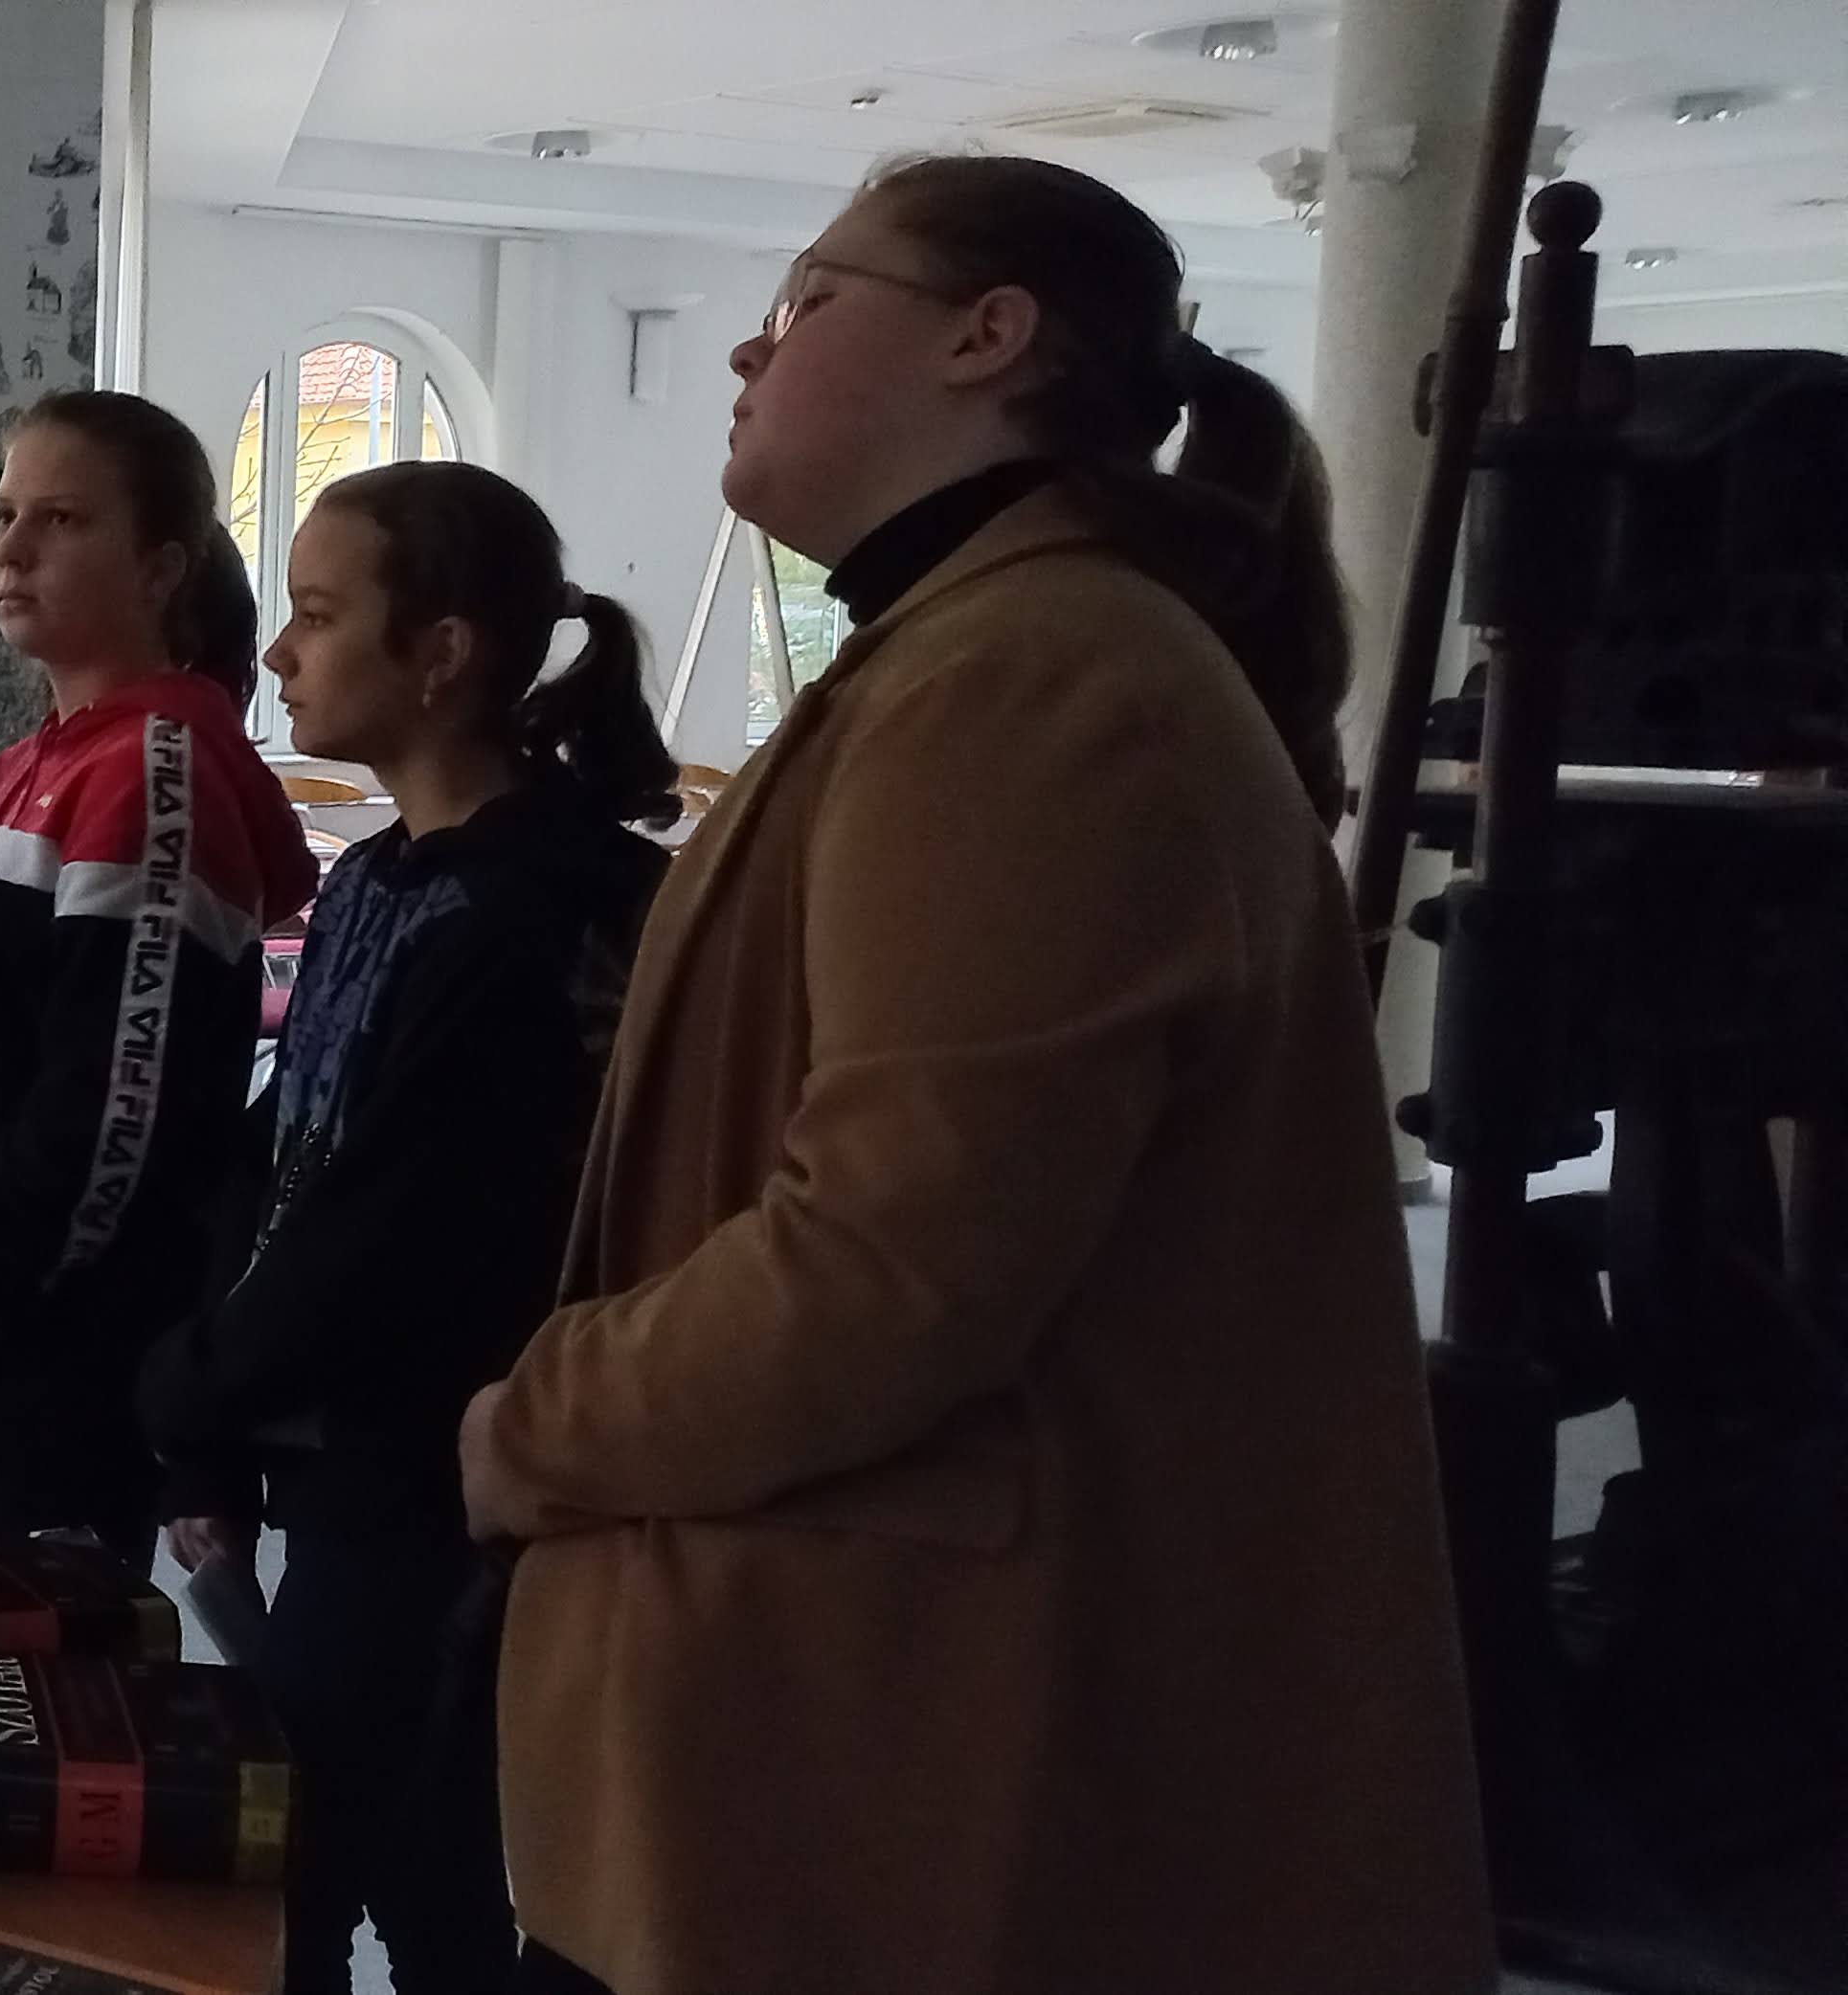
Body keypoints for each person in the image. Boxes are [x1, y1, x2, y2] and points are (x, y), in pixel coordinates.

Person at [455, 154, 1491, 1994]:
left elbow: (881, 1271)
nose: (748, 352)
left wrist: (531, 1420)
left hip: (898, 1756)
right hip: (854, 1716)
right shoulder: (980, 649)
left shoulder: (1027, 681)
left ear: (984, 335)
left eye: (802, 300)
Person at [137, 463, 673, 1995]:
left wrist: (181, 1392)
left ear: (440, 653)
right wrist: (206, 1433)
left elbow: (391, 1234)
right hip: (348, 1465)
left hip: (451, 1478)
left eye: (318, 616)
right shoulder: (379, 878)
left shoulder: (544, 905)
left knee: (311, 1867)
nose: (279, 652)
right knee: (419, 1860)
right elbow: (279, 1158)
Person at [0, 391, 318, 1557]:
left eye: (60, 519)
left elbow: (110, 1109)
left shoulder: (154, 766)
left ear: (160, 567)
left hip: (70, 1331)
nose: (12, 548)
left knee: (56, 1642)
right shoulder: (32, 761)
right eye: (3, 515)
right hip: (3, 1303)